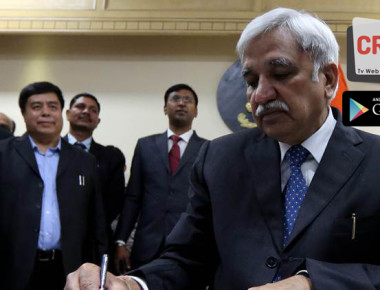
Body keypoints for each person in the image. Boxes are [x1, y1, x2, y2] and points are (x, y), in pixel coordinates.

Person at [65, 7, 380, 290]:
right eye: (252, 81)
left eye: (280, 73)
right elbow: (187, 259)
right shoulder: (220, 159)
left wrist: (312, 284)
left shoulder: (374, 160)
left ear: (326, 79)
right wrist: (131, 285)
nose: (260, 95)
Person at [0, 82, 108, 290]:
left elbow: (97, 223)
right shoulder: (4, 154)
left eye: (52, 106)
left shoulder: (84, 161)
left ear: (62, 113)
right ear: (23, 113)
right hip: (12, 267)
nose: (46, 113)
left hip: (68, 270)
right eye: (37, 107)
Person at [113, 83, 207, 273]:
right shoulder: (145, 145)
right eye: (175, 99)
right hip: (146, 244)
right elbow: (133, 197)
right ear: (165, 108)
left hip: (188, 245)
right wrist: (121, 240)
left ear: (196, 111)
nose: (181, 103)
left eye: (187, 100)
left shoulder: (208, 149)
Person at [65, 93, 126, 256]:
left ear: (98, 121)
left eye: (93, 110)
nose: (86, 111)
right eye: (80, 107)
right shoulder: (50, 151)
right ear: (68, 114)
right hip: (53, 240)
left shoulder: (111, 156)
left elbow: (114, 201)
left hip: (94, 243)